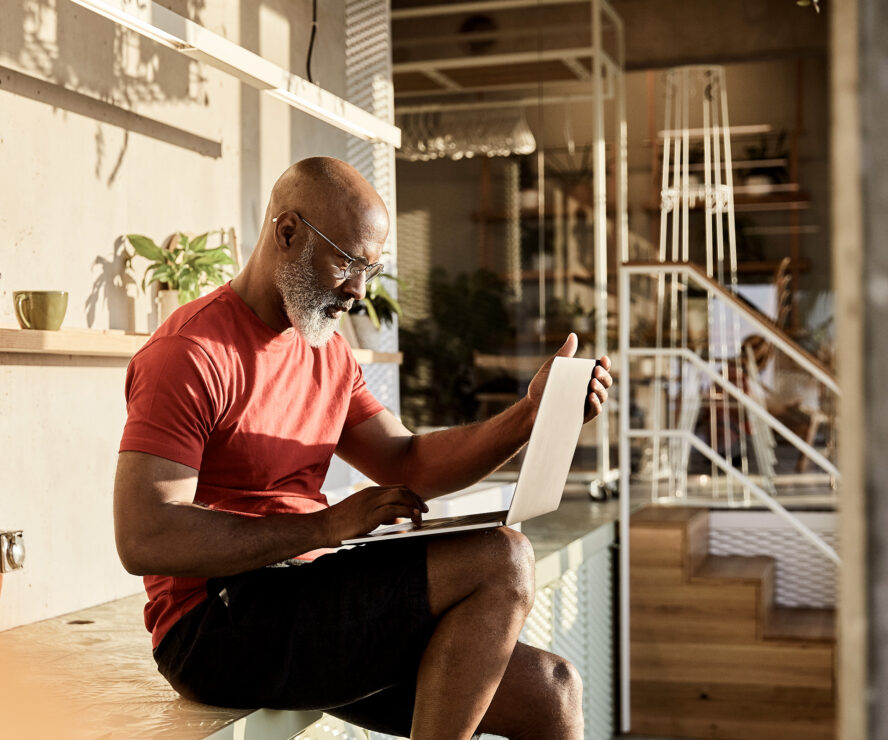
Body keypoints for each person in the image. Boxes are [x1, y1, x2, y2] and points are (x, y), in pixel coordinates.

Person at [115, 156, 612, 739]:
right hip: (215, 625)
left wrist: (531, 415)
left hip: (304, 596)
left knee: (554, 691)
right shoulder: (191, 352)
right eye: (347, 263)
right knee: (503, 558)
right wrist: (324, 529)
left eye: (369, 270)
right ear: (287, 232)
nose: (357, 290)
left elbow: (409, 463)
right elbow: (144, 534)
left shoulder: (326, 351)